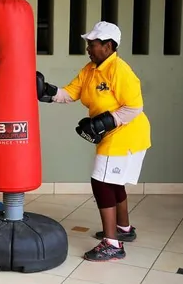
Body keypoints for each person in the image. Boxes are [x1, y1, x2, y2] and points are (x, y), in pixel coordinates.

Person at [37, 21, 151, 262]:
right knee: (113, 182)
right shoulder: (90, 69)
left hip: (127, 134)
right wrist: (44, 90)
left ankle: (112, 244)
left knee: (101, 182)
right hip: (115, 134)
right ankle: (123, 229)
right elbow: (69, 93)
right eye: (88, 43)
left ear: (108, 46)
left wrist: (104, 123)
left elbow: (134, 107)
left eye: (93, 44)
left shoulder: (120, 70)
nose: (88, 48)